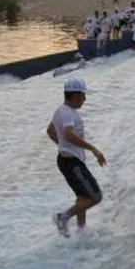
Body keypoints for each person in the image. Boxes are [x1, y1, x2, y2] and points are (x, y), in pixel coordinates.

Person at [46, 78, 107, 237]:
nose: (84, 100)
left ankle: (82, 230)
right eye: (83, 96)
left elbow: (50, 130)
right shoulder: (67, 114)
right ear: (75, 96)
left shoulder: (60, 110)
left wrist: (63, 146)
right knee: (96, 197)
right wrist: (93, 149)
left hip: (66, 160)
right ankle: (63, 217)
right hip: (72, 163)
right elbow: (68, 134)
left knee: (82, 196)